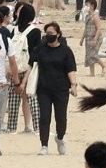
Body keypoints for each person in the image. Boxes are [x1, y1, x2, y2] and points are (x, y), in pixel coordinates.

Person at [20, 22, 79, 156]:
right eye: (47, 33)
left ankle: (60, 138)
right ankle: (44, 145)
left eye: (51, 34)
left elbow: (71, 69)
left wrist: (73, 85)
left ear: (58, 34)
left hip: (61, 89)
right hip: (44, 88)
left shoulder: (66, 51)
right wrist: (23, 82)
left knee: (61, 117)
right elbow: (31, 66)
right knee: (45, 117)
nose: (49, 36)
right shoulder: (40, 49)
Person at [6, 3, 41, 134]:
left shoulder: (13, 30)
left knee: (13, 100)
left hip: (14, 68)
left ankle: (12, 127)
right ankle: (36, 127)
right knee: (32, 98)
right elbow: (35, 54)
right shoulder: (35, 31)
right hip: (28, 68)